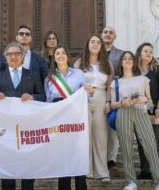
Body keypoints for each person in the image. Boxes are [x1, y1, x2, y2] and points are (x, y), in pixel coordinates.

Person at [111, 51, 159, 190]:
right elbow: (112, 104)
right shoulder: (115, 82)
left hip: (141, 112)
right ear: (121, 63)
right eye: (125, 58)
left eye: (130, 58)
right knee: (126, 147)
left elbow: (150, 100)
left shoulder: (142, 79)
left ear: (134, 62)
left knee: (150, 144)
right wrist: (123, 103)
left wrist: (144, 99)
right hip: (123, 113)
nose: (127, 60)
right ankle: (131, 182)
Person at [0, 42, 46, 190]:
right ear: (5, 58)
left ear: (23, 56)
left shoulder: (32, 75)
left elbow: (43, 97)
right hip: (6, 129)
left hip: (27, 127)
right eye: (10, 54)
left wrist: (33, 97)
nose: (14, 57)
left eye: (17, 54)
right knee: (7, 164)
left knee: (28, 164)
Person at [44, 46, 87, 190]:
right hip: (59, 114)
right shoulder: (49, 78)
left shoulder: (79, 73)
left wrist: (91, 91)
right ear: (54, 57)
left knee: (78, 151)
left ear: (68, 56)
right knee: (63, 154)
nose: (60, 55)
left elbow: (86, 93)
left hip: (76, 113)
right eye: (57, 53)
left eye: (63, 53)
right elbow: (48, 101)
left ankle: (81, 187)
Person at [73, 35, 113, 182]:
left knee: (101, 136)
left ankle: (102, 172)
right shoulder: (79, 63)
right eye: (92, 42)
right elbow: (73, 83)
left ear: (101, 46)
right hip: (83, 99)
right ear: (87, 45)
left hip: (101, 97)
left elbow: (110, 86)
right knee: (85, 136)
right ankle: (87, 171)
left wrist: (108, 101)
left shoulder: (107, 63)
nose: (95, 44)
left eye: (98, 42)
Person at [135, 42, 159, 181]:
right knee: (141, 141)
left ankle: (157, 170)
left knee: (156, 140)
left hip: (157, 111)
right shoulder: (134, 71)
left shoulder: (157, 69)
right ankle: (145, 170)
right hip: (138, 112)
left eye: (151, 52)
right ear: (140, 53)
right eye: (146, 51)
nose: (149, 53)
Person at [100, 26, 124, 170]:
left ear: (115, 37)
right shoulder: (94, 52)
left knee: (113, 125)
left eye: (111, 33)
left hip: (114, 93)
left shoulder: (121, 54)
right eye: (105, 32)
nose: (108, 34)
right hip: (97, 93)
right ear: (101, 35)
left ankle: (111, 159)